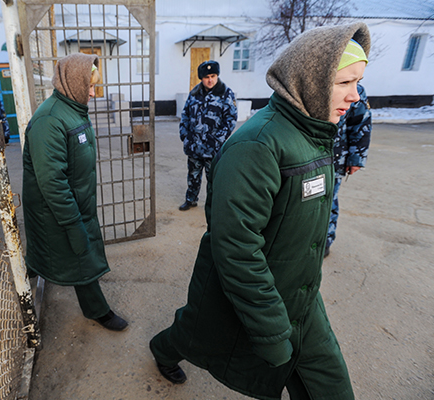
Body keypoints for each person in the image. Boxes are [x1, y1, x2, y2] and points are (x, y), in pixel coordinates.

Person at [149, 23, 370, 400]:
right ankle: (163, 349)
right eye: (344, 83)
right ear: (311, 79)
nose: (355, 96)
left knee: (332, 386)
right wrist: (271, 330)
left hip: (301, 295)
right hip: (259, 298)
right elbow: (236, 247)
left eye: (357, 82)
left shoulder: (315, 132)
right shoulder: (257, 145)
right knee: (195, 333)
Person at [22, 53, 128, 331]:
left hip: (76, 203)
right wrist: (72, 223)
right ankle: (98, 310)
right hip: (57, 209)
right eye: (89, 87)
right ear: (71, 82)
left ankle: (27, 273)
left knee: (73, 252)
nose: (93, 93)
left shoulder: (72, 109)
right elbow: (52, 182)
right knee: (80, 255)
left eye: (94, 86)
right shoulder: (50, 120)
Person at [178, 60, 237, 211]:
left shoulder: (226, 94)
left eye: (213, 76)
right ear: (201, 78)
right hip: (194, 146)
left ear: (217, 76)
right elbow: (185, 115)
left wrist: (218, 140)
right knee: (193, 176)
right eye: (206, 77)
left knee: (214, 179)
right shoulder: (194, 93)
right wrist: (185, 135)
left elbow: (230, 120)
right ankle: (191, 199)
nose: (210, 80)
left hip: (213, 148)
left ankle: (214, 204)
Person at [325, 83, 371, 257]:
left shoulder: (356, 91)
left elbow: (361, 123)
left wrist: (356, 158)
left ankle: (326, 241)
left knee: (329, 201)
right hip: (305, 156)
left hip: (335, 158)